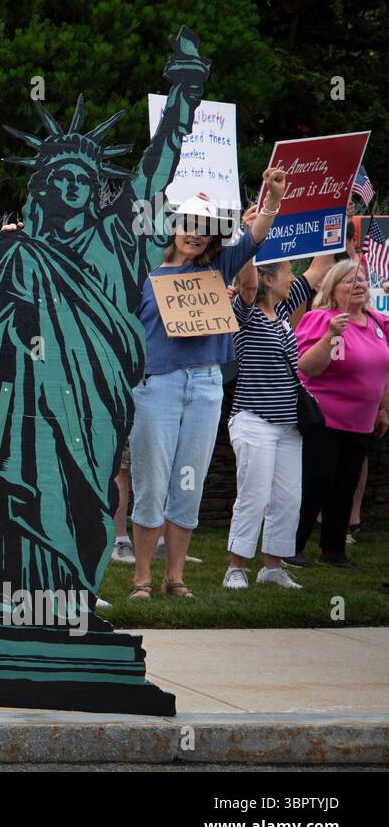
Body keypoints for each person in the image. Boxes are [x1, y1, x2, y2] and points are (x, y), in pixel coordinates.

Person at [128, 172, 287, 601]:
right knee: (151, 480)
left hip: (207, 385)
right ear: (172, 226)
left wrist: (271, 199)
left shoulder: (218, 267)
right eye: (187, 224)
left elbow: (255, 237)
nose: (195, 234)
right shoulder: (142, 273)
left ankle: (174, 577)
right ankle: (141, 578)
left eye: (204, 227)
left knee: (188, 482)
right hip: (156, 386)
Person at [223, 245, 335, 590]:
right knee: (253, 495)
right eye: (286, 271)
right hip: (253, 418)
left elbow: (317, 271)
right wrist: (251, 243)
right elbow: (246, 286)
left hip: (289, 424)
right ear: (267, 280)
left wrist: (335, 216)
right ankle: (236, 567)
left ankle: (272, 566)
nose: (292, 276)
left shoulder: (284, 309)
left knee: (288, 498)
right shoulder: (244, 313)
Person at [293, 259, 389, 568]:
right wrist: (332, 334)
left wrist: (383, 408)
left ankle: (333, 551)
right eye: (349, 281)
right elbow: (307, 368)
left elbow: (383, 370)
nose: (358, 284)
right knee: (316, 481)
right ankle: (291, 546)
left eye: (361, 279)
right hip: (324, 418)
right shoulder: (320, 319)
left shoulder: (376, 321)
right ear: (332, 290)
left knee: (345, 486)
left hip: (361, 421)